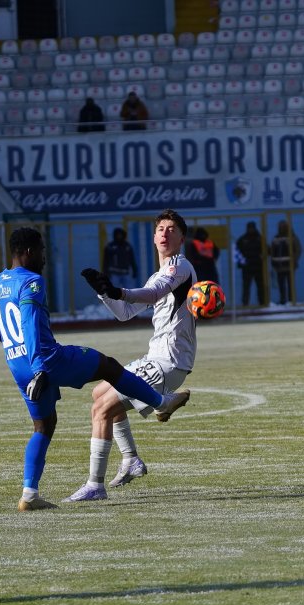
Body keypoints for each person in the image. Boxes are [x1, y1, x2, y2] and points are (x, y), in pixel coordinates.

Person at [0, 227, 190, 511]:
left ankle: (30, 494)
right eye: (42, 252)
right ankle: (161, 402)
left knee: (44, 426)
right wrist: (39, 367)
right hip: (45, 361)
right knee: (108, 365)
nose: (45, 259)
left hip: (17, 364)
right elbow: (32, 326)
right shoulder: (32, 281)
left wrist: (21, 357)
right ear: (29, 252)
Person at [66, 210, 198, 502]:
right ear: (153, 237)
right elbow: (125, 313)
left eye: (172, 229)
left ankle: (94, 485)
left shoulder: (181, 266)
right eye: (160, 229)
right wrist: (104, 294)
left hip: (168, 363)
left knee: (101, 410)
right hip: (157, 359)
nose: (164, 233)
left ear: (181, 238)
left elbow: (151, 294)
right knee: (99, 393)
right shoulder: (158, 274)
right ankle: (131, 460)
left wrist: (119, 290)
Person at [269, 220, 300, 305]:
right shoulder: (276, 238)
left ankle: (291, 301)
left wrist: (294, 260)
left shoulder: (292, 237)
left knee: (290, 285)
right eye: (280, 227)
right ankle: (283, 301)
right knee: (281, 285)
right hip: (279, 267)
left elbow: (297, 249)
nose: (281, 228)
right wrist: (273, 263)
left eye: (283, 226)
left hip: (289, 265)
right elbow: (272, 251)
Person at [236, 221, 266, 306]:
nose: (251, 230)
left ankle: (262, 303)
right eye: (249, 228)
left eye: (252, 228)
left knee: (260, 287)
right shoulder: (243, 239)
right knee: (246, 287)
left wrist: (262, 256)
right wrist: (241, 263)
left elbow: (267, 250)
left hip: (258, 266)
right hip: (247, 267)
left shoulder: (260, 239)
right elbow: (238, 252)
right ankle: (245, 303)